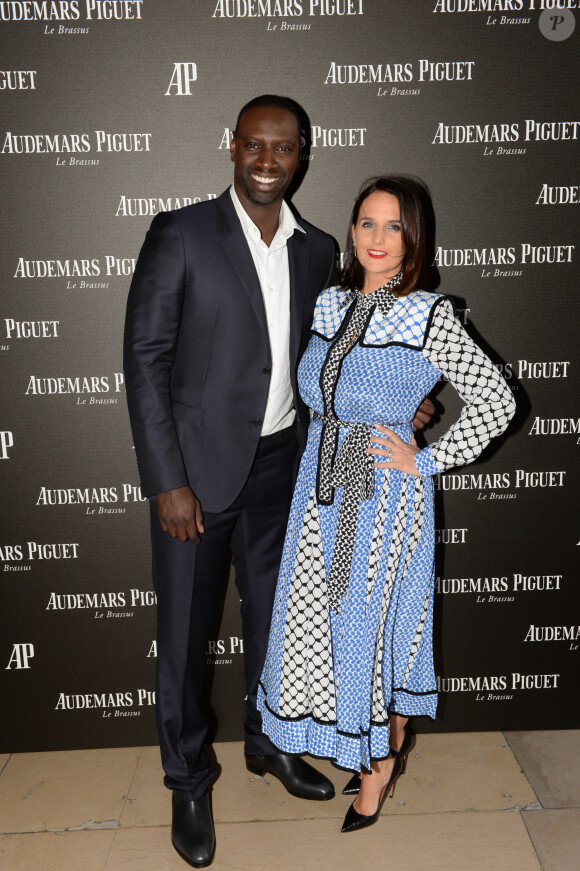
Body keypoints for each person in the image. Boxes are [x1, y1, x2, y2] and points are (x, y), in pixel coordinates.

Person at [124, 99, 433, 867]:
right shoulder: (182, 232)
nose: (268, 159)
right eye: (255, 145)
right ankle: (188, 779)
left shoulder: (318, 248)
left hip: (286, 474)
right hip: (193, 478)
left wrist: (408, 400)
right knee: (186, 638)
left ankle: (269, 743)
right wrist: (167, 479)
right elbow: (145, 359)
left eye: (284, 147)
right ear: (234, 148)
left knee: (279, 624)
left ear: (303, 155)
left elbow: (335, 359)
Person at [257, 175, 516, 834]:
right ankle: (379, 736)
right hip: (319, 492)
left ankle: (377, 773)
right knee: (335, 631)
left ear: (413, 238)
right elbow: (321, 389)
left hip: (381, 499)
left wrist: (423, 457)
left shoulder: (430, 313)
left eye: (392, 226)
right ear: (351, 231)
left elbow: (497, 401)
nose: (376, 238)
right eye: (366, 223)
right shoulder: (328, 302)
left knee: (371, 633)